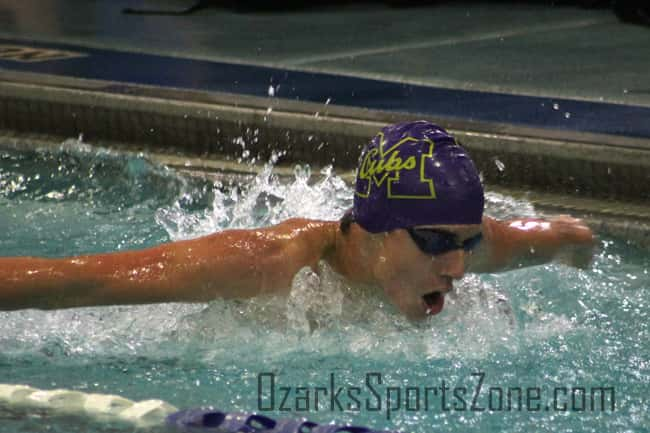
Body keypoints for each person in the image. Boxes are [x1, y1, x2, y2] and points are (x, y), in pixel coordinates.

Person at [0, 121, 595, 320]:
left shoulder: (462, 244)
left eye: (468, 240)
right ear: (373, 227)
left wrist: (577, 244)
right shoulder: (266, 267)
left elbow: (566, 239)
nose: (461, 266)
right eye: (440, 242)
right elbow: (79, 279)